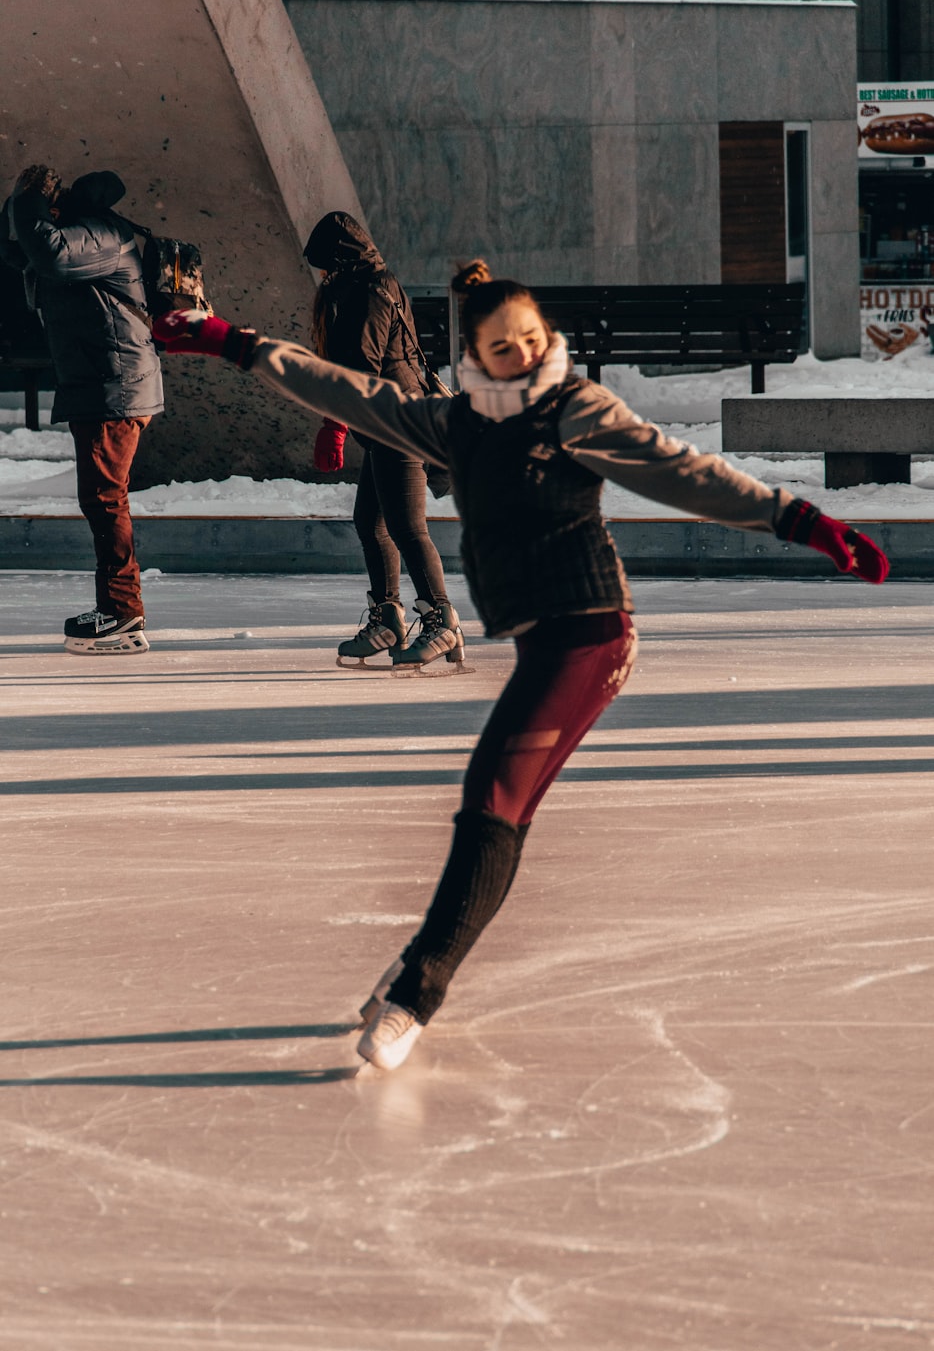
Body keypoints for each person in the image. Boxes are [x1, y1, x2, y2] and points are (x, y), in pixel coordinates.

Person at [151, 259, 890, 1073]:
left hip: (591, 635)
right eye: (505, 345)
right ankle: (419, 964)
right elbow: (348, 390)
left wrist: (802, 520)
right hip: (546, 638)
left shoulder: (575, 410)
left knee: (493, 798)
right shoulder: (456, 423)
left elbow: (680, 468)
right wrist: (233, 343)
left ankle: (417, 992)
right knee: (506, 808)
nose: (524, 353)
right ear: (476, 353)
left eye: (533, 339)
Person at [0, 165, 163, 654]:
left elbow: (48, 253)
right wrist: (17, 202)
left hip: (114, 389)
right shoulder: (80, 234)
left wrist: (27, 199)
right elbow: (18, 249)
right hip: (101, 386)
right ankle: (120, 607)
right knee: (103, 499)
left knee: (106, 499)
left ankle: (121, 612)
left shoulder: (100, 233)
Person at [303, 211, 464, 672]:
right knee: (370, 523)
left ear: (338, 260)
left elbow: (359, 370)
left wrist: (333, 425)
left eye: (324, 265)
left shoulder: (368, 292)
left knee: (407, 528)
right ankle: (389, 617)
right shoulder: (366, 285)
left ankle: (443, 620)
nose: (321, 274)